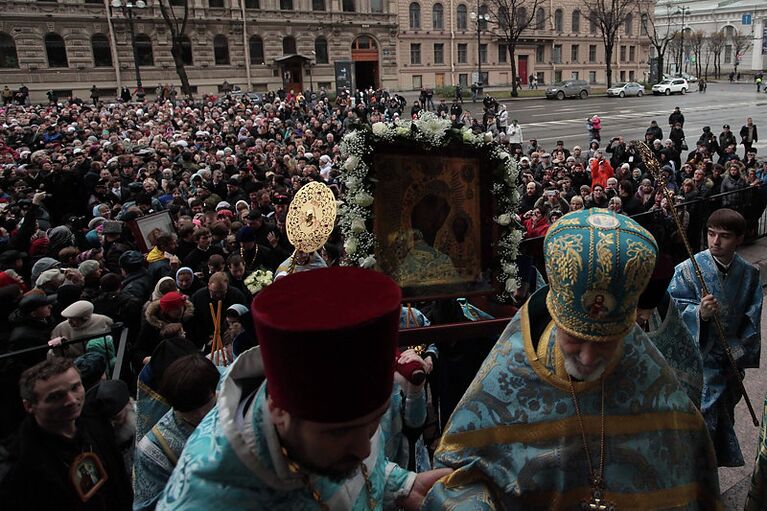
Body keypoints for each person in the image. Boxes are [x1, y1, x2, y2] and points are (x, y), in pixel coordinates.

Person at [423, 209, 721, 509]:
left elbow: (688, 478)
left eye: (606, 342)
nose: (589, 358)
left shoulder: (652, 379)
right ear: (556, 317)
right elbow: (458, 480)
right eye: (576, 339)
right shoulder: (513, 369)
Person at [156, 267, 450, 509]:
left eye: (374, 421)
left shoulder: (327, 429)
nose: (363, 448)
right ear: (278, 411)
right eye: (339, 432)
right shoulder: (206, 501)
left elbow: (359, 468)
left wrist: (400, 486)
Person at [668, 208, 763, 467]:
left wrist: (738, 351)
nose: (716, 242)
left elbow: (751, 318)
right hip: (698, 362)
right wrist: (698, 313)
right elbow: (672, 310)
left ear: (739, 239)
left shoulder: (749, 274)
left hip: (728, 361)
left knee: (722, 420)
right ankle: (695, 476)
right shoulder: (688, 269)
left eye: (724, 236)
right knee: (699, 423)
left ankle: (711, 474)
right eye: (711, 234)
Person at [0, 358, 132, 510]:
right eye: (55, 396)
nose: (71, 400)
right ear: (30, 406)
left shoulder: (96, 421)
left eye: (75, 387)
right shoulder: (19, 463)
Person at [133, 354, 219, 511]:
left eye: (205, 404)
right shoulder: (152, 449)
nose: (200, 415)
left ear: (214, 390)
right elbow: (147, 507)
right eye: (189, 410)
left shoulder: (234, 399)